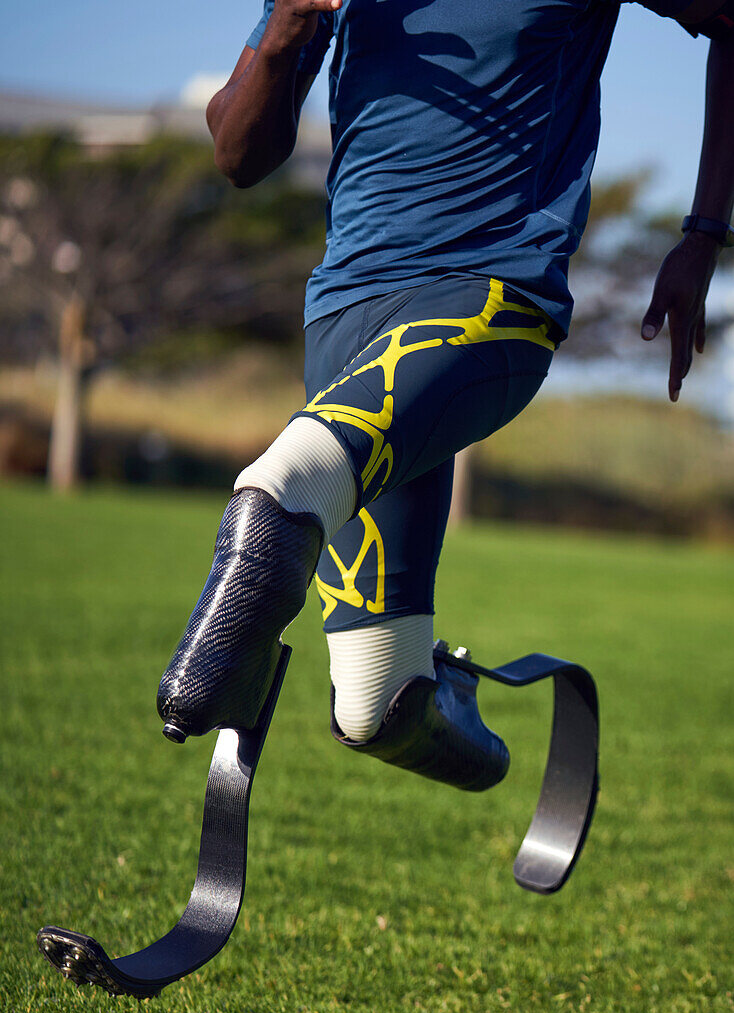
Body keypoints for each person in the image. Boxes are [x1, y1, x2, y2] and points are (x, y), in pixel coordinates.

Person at [156, 0, 734, 789]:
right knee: (372, 703)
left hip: (492, 294)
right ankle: (461, 713)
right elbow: (236, 154)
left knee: (282, 491)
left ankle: (189, 703)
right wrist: (288, 27)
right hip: (344, 313)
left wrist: (703, 235)